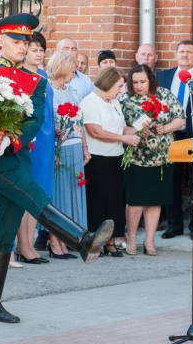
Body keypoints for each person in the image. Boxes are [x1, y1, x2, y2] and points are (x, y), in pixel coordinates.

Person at [0, 13, 114, 324]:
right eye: (18, 42)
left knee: (5, 230)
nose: (24, 47)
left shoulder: (36, 81)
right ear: (2, 42)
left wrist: (13, 141)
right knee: (35, 197)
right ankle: (81, 239)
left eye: (27, 42)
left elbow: (35, 120)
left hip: (15, 155)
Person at [120, 64, 185, 256]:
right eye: (135, 82)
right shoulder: (125, 99)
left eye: (142, 81)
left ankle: (149, 241)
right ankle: (131, 239)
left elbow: (180, 118)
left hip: (161, 157)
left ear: (151, 80)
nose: (139, 86)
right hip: (136, 158)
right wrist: (138, 130)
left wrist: (165, 128)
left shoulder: (164, 94)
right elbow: (120, 128)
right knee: (136, 201)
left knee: (155, 201)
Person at [157, 40, 193, 240]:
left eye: (189, 52)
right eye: (181, 51)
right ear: (176, 54)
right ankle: (174, 225)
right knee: (170, 181)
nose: (185, 55)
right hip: (171, 137)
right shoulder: (163, 77)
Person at [81, 67, 139, 257]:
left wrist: (139, 131)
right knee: (99, 201)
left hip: (116, 158)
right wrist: (125, 139)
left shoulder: (114, 102)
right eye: (119, 86)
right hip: (98, 159)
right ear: (107, 83)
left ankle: (112, 240)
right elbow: (95, 132)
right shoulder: (90, 102)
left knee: (115, 201)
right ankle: (95, 242)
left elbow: (122, 129)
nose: (121, 90)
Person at [15, 31, 53, 264]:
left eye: (41, 50)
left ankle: (30, 241)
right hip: (31, 139)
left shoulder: (44, 76)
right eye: (34, 49)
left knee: (39, 192)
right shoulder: (19, 75)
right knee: (27, 191)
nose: (38, 54)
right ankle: (23, 245)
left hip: (47, 139)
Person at [48, 51, 90, 259]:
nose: (75, 75)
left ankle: (69, 239)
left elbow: (79, 122)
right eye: (72, 71)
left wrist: (84, 147)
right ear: (62, 69)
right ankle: (55, 242)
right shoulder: (48, 90)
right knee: (59, 196)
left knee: (73, 192)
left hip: (74, 147)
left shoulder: (71, 91)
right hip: (59, 149)